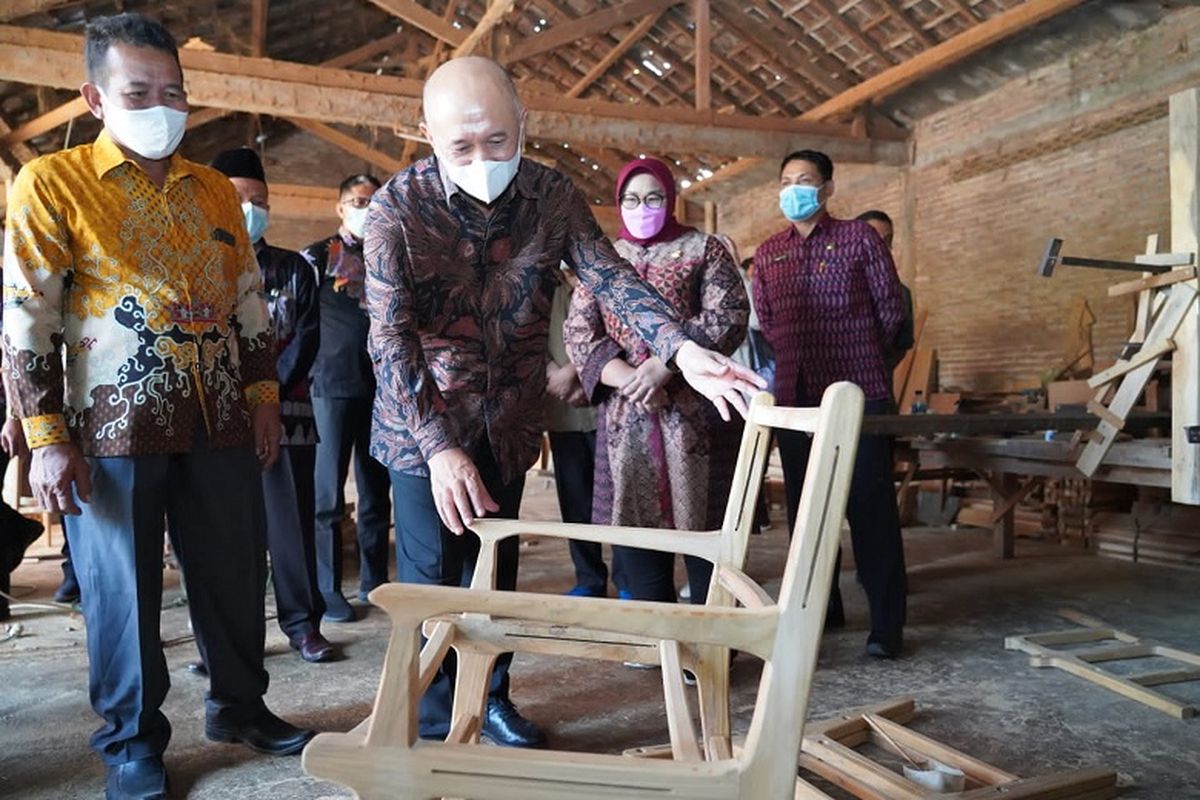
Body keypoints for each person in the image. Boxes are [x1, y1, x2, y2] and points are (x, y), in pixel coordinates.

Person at [365, 57, 762, 748]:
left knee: (497, 574)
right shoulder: (395, 210)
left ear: (524, 124)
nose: (484, 159)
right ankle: (430, 728)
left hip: (511, 420)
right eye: (461, 147)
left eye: (498, 140)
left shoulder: (550, 196)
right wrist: (439, 448)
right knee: (435, 582)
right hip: (423, 426)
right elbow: (390, 340)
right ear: (425, 133)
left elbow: (609, 279)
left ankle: (490, 698)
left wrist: (681, 348)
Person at [1, 14, 313, 799]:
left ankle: (241, 706)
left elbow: (249, 304)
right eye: (138, 91)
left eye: (172, 91)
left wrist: (263, 397)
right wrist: (45, 435)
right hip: (112, 429)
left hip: (219, 419)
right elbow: (28, 317)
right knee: (123, 594)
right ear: (95, 96)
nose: (160, 105)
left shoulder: (212, 188)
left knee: (236, 575)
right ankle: (132, 740)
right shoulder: (52, 182)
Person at [565, 157, 748, 608]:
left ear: (670, 200)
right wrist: (627, 376)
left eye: (653, 198)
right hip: (628, 415)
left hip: (699, 410)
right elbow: (579, 332)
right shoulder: (605, 259)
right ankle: (657, 636)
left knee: (707, 527)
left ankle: (711, 642)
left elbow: (728, 314)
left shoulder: (704, 249)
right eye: (631, 199)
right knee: (637, 528)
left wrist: (666, 365)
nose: (641, 207)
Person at [753, 150, 909, 659]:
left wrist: (859, 358)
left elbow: (890, 311)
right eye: (786, 180)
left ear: (827, 189)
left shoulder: (858, 239)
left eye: (805, 180)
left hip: (860, 394)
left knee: (870, 510)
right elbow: (769, 322)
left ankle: (886, 624)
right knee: (808, 513)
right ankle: (825, 608)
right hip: (797, 399)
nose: (794, 188)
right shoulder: (769, 252)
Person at [212, 147, 333, 664]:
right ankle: (226, 641)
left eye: (258, 200)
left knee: (292, 528)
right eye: (239, 199)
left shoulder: (294, 270)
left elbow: (306, 340)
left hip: (288, 421)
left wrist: (266, 396)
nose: (250, 209)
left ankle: (304, 625)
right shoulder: (198, 268)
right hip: (217, 424)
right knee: (222, 536)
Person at [301, 174, 393, 623]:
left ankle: (374, 581)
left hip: (382, 391)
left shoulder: (392, 254)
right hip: (331, 387)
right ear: (340, 208)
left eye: (373, 201)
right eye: (358, 201)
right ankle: (326, 588)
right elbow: (297, 320)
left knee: (377, 494)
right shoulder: (317, 257)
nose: (366, 207)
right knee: (327, 498)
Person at [544, 266, 617, 598]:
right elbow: (528, 338)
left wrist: (577, 374)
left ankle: (628, 579)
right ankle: (589, 578)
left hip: (608, 407)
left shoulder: (607, 282)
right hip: (563, 411)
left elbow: (616, 336)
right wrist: (556, 380)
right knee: (575, 501)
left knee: (618, 500)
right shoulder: (544, 286)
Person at [856, 210, 914, 383]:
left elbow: (902, 345)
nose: (881, 248)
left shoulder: (900, 294)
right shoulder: (828, 289)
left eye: (887, 241)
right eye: (873, 240)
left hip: (878, 392)